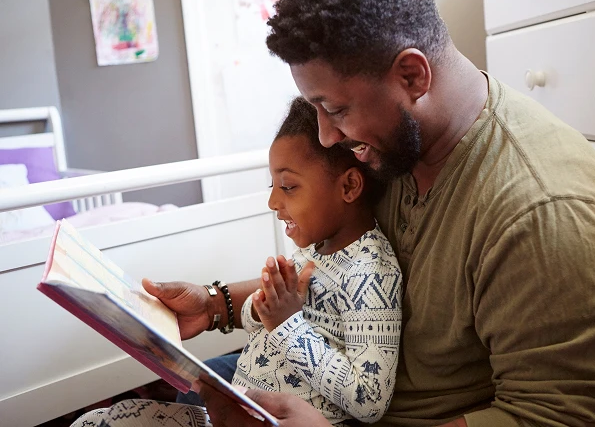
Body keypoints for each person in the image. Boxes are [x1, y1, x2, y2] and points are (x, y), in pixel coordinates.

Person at [73, 0, 595, 427]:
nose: (325, 135)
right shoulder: (393, 148)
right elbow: (332, 279)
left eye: (335, 109)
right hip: (320, 376)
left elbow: (552, 418)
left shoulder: (545, 213)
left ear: (412, 75)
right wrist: (216, 303)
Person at [72, 96, 402, 427]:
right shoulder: (316, 249)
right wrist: (256, 310)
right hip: (238, 412)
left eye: (288, 186)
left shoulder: (372, 274)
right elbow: (272, 326)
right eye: (273, 185)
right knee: (94, 421)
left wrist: (286, 324)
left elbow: (369, 399)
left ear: (349, 186)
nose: (272, 201)